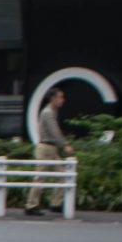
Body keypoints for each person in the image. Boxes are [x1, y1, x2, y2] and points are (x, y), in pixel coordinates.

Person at [25, 88, 75, 216]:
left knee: (63, 175)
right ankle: (31, 205)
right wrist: (65, 145)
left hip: (51, 148)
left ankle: (55, 203)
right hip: (46, 148)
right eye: (60, 97)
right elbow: (54, 131)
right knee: (40, 176)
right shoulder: (48, 112)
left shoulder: (52, 111)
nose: (62, 100)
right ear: (53, 98)